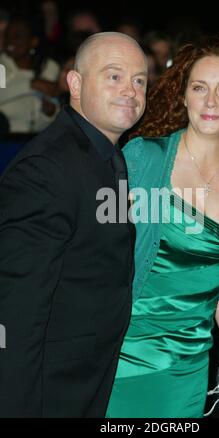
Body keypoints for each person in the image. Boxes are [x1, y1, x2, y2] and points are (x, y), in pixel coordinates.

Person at [106, 38, 219, 418]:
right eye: (199, 88)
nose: (210, 102)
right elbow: (91, 252)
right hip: (119, 357)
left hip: (189, 367)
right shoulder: (144, 158)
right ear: (183, 96)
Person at [0, 32, 147, 417]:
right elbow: (16, 315)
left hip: (88, 381)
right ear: (76, 84)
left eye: (139, 80)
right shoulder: (46, 170)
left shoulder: (103, 154)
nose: (130, 90)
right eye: (114, 76)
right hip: (50, 392)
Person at [0, 15, 60, 134]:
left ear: (33, 41)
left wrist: (49, 113)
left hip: (36, 142)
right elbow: (2, 94)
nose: (10, 41)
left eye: (17, 36)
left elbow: (51, 115)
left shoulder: (49, 67)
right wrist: (31, 85)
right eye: (7, 36)